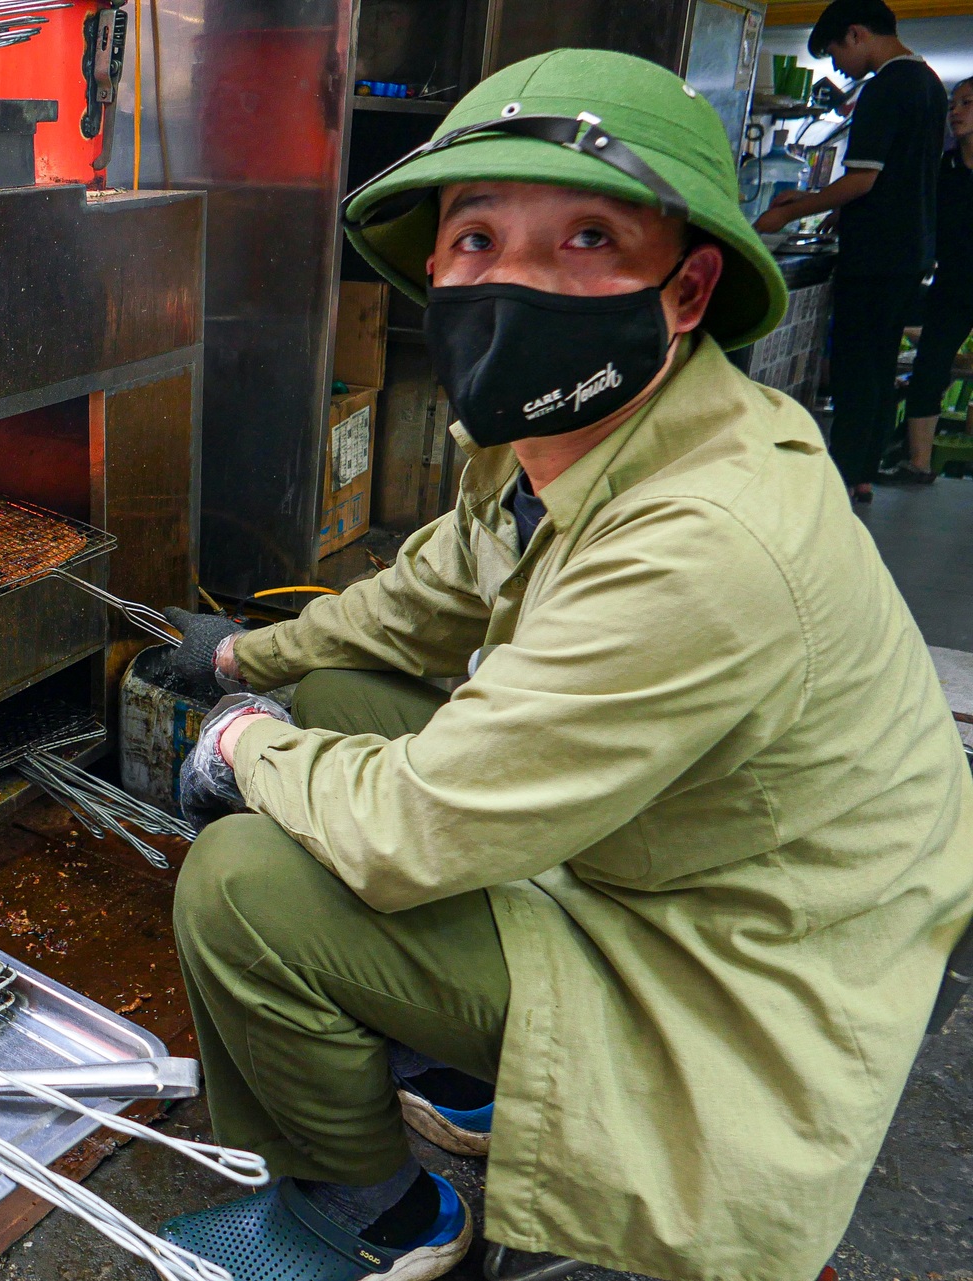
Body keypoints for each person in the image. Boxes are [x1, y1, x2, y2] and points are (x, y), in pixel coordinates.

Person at [156, 47, 973, 1281]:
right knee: (331, 699)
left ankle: (382, 1220)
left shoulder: (708, 537)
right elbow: (419, 601)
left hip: (729, 948)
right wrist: (242, 661)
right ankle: (468, 1063)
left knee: (242, 882)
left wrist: (241, 747)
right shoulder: (573, 428)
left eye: (586, 238)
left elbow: (410, 833)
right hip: (660, 840)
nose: (512, 280)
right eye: (476, 238)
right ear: (434, 265)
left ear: (688, 289)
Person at [756, 0, 947, 503]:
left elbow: (864, 180)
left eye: (837, 52)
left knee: (856, 367)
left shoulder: (886, 86)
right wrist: (824, 203)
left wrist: (785, 215)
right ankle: (862, 473)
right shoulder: (927, 82)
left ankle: (840, 477)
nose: (838, 67)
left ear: (857, 34)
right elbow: (890, 177)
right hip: (909, 250)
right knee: (880, 368)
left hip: (878, 253)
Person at [884, 75, 973, 484]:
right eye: (953, 104)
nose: (955, 112)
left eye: (966, 103)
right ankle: (918, 464)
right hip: (953, 286)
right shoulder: (943, 168)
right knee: (929, 370)